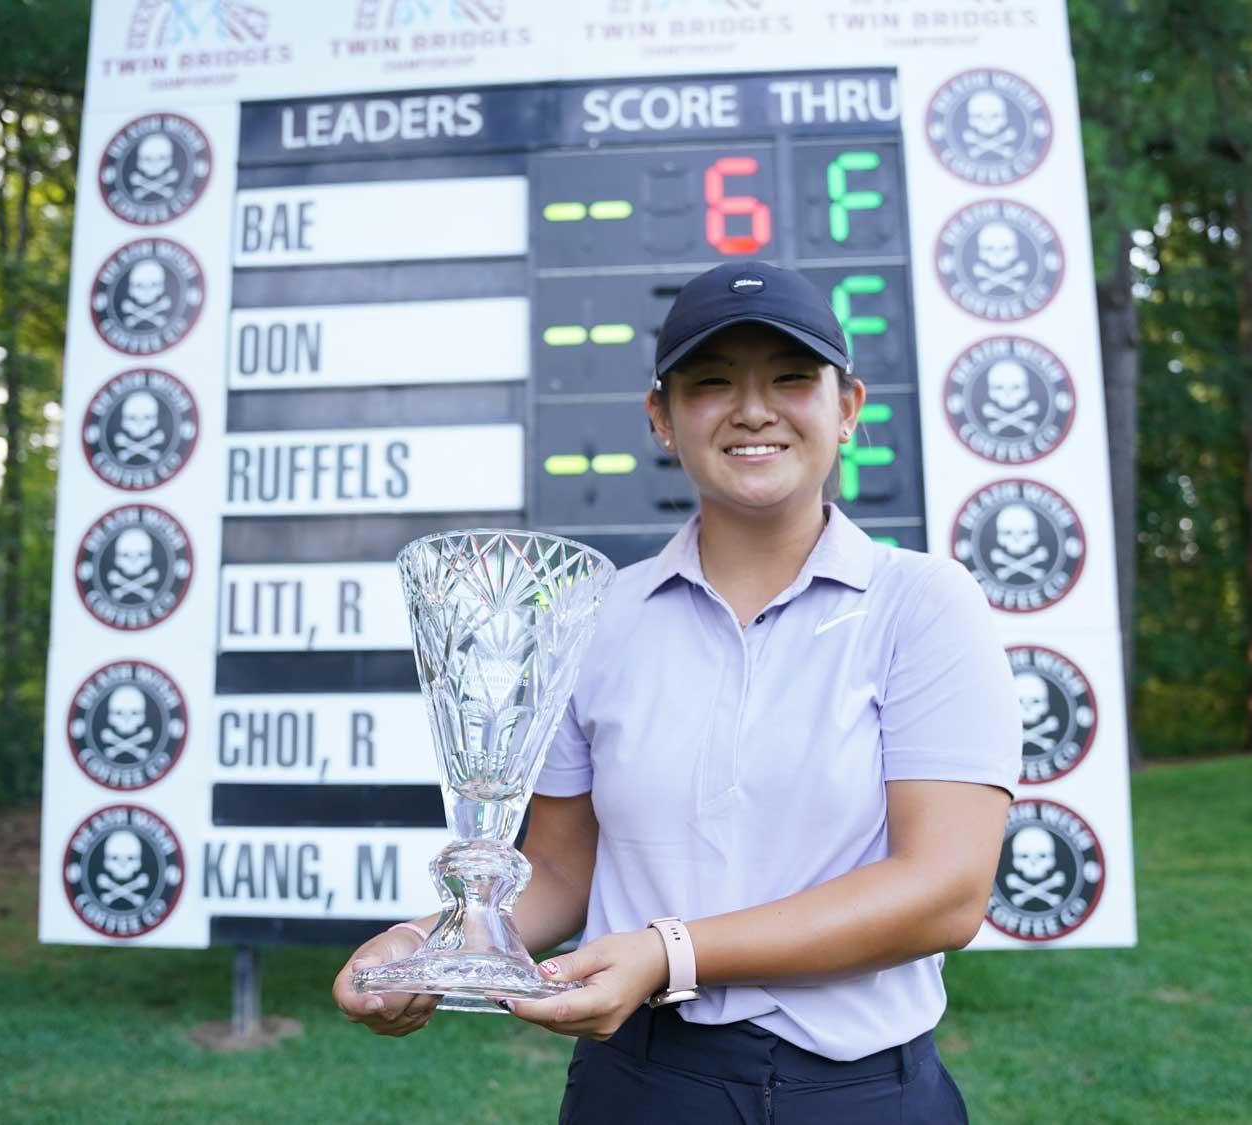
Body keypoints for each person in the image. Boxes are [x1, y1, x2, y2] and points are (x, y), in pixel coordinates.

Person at [332, 260, 1019, 1123]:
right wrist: (426, 946)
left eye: (793, 379)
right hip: (641, 1085)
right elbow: (556, 871)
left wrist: (673, 953)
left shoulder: (923, 603)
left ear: (847, 408)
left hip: (861, 1092)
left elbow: (946, 887)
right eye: (712, 382)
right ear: (662, 416)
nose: (755, 409)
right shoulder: (597, 617)